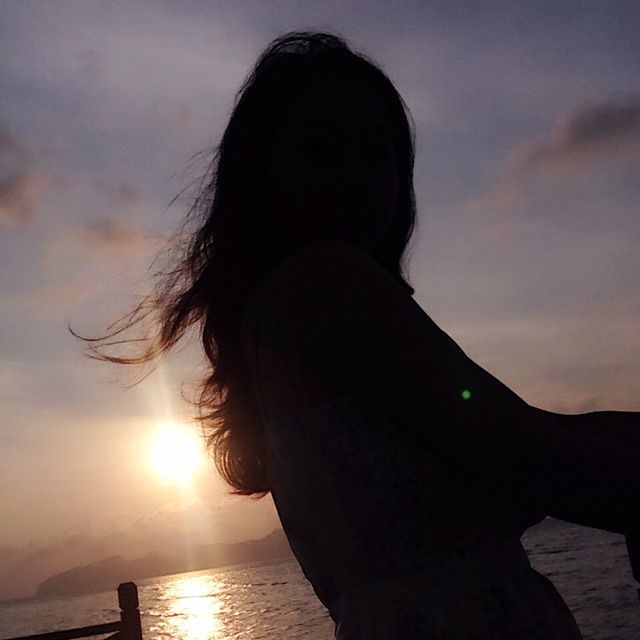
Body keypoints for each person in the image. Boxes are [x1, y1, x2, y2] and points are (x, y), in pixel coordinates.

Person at [76, 31, 640, 639]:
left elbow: (515, 430)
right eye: (321, 150)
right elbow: (528, 455)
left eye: (376, 153)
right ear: (261, 172)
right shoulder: (325, 284)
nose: (353, 177)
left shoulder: (276, 314)